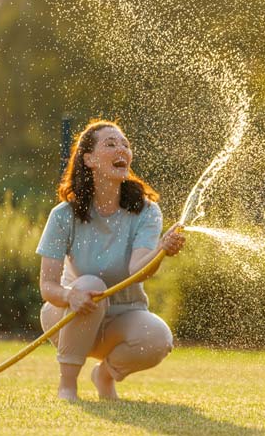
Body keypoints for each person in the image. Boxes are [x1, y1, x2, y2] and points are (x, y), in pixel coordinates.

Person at [37, 119, 185, 401]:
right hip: (68, 315)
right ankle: (67, 385)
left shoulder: (146, 211)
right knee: (90, 283)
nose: (122, 150)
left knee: (158, 339)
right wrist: (71, 296)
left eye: (125, 145)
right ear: (89, 160)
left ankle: (104, 375)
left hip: (123, 316)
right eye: (111, 144)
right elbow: (47, 287)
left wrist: (162, 249)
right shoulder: (63, 215)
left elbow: (137, 271)